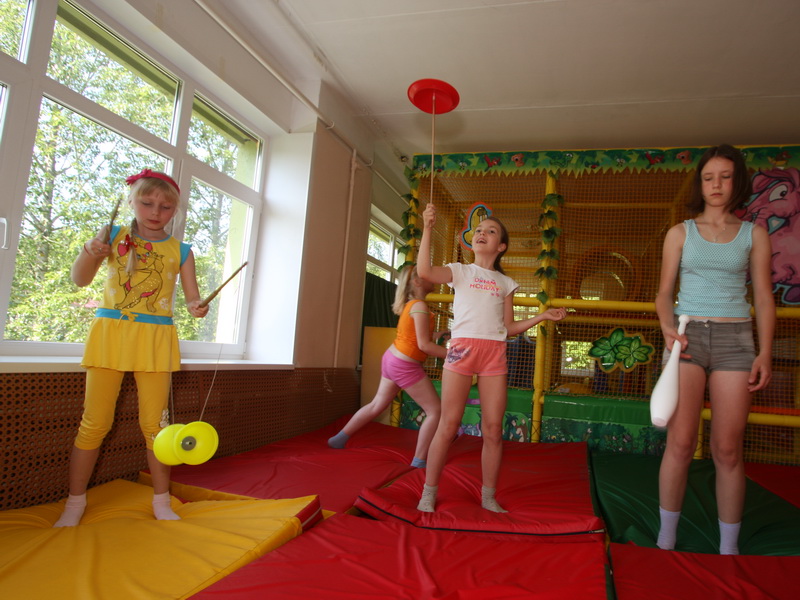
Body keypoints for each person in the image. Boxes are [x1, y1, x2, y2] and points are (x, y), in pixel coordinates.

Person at [54, 169, 209, 527]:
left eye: (165, 207)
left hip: (155, 339)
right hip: (111, 334)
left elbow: (192, 299)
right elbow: (80, 279)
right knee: (94, 423)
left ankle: (161, 500)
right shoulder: (111, 235)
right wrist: (89, 252)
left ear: (175, 211)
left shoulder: (182, 251)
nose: (155, 212)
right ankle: (74, 504)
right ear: (131, 202)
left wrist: (197, 307)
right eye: (147, 203)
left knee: (156, 426)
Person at [654, 144, 775, 554]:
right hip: (686, 338)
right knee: (680, 443)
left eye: (725, 177)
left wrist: (764, 352)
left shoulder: (754, 234)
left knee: (727, 449)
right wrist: (667, 326)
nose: (716, 185)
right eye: (709, 177)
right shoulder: (680, 232)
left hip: (736, 341)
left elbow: (764, 297)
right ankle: (666, 540)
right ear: (700, 184)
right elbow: (664, 293)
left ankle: (728, 548)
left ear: (737, 182)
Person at [415, 202, 567, 512]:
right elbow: (425, 272)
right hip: (462, 350)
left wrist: (541, 316)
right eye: (480, 230)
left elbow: (508, 328)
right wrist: (428, 228)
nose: (482, 233)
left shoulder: (505, 283)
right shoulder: (460, 270)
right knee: (448, 424)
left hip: (494, 354)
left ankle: (488, 496)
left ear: (501, 246)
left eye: (491, 231)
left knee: (494, 430)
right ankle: (428, 492)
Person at [328, 265, 447, 467]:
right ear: (417, 281)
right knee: (435, 410)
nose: (432, 277)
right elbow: (424, 345)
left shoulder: (413, 305)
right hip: (405, 365)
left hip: (393, 359)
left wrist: (438, 335)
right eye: (427, 275)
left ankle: (338, 439)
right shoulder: (419, 306)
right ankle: (419, 460)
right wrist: (453, 356)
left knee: (377, 404)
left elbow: (418, 337)